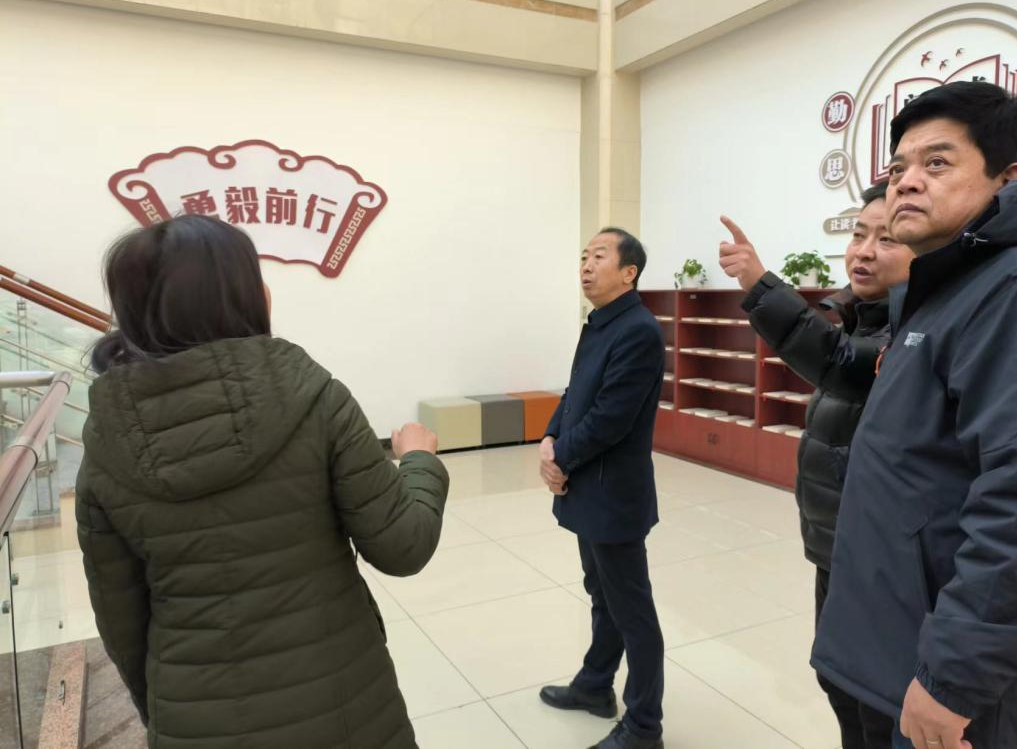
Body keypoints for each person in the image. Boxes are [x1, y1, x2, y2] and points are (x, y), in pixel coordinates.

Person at [76, 215, 449, 749]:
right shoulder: (314, 397)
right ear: (241, 298)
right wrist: (418, 461)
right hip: (341, 704)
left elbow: (121, 622)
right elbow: (402, 545)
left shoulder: (106, 440)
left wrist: (163, 711)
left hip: (191, 714)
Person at [812, 81, 1017, 749]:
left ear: (1010, 180)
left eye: (937, 163)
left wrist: (954, 676)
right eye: (898, 167)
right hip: (899, 639)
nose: (905, 182)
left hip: (952, 675)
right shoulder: (945, 286)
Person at [718, 180, 913, 748]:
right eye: (858, 234)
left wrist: (760, 284)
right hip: (835, 548)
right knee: (837, 681)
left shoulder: (914, 331)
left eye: (887, 239)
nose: (864, 251)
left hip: (878, 559)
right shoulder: (859, 315)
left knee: (876, 705)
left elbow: (838, 362)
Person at [537, 227, 666, 749]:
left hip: (613, 494)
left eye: (599, 256)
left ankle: (644, 726)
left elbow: (611, 417)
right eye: (583, 257)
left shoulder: (639, 331)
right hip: (588, 486)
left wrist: (561, 458)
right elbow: (576, 394)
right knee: (602, 594)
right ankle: (595, 685)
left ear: (629, 272)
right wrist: (550, 436)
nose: (586, 266)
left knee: (633, 610)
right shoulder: (600, 324)